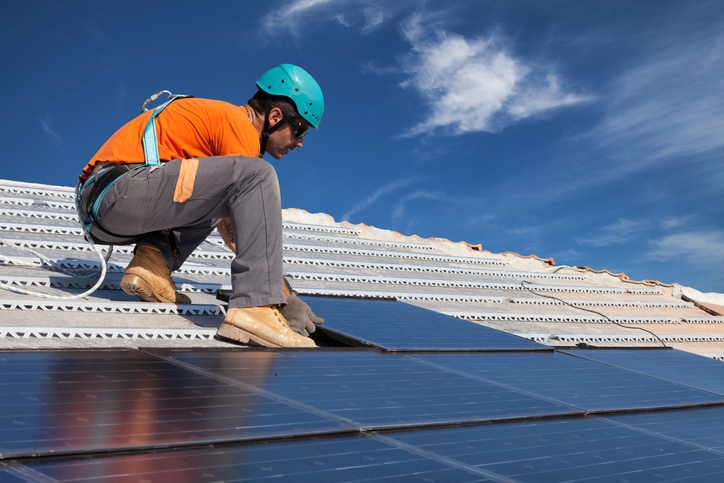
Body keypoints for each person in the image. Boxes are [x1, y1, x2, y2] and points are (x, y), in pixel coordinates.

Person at [76, 64, 324, 348]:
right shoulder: (239, 126)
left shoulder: (222, 125)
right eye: (300, 129)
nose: (301, 142)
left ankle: (152, 266)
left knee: (226, 195)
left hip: (110, 202)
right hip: (118, 193)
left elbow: (228, 215)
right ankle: (254, 309)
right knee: (258, 175)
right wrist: (281, 297)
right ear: (275, 117)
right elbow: (245, 226)